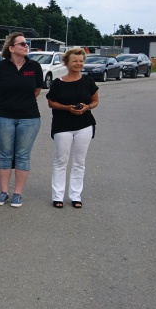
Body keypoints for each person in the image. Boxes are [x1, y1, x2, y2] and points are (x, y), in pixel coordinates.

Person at [0, 32, 44, 208]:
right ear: (11, 48)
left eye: (26, 44)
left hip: (29, 118)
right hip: (3, 117)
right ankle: (4, 192)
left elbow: (37, 90)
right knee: (4, 155)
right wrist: (5, 104)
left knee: (23, 156)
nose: (26, 46)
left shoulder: (34, 67)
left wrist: (20, 104)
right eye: (22, 44)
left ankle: (17, 194)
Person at [46, 47, 99, 208]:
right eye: (75, 61)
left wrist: (86, 107)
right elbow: (51, 103)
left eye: (81, 61)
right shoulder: (57, 83)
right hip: (63, 125)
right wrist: (67, 108)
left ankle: (76, 195)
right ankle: (58, 196)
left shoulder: (88, 81)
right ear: (66, 63)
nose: (78, 64)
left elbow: (95, 101)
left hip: (84, 125)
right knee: (61, 160)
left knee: (79, 161)